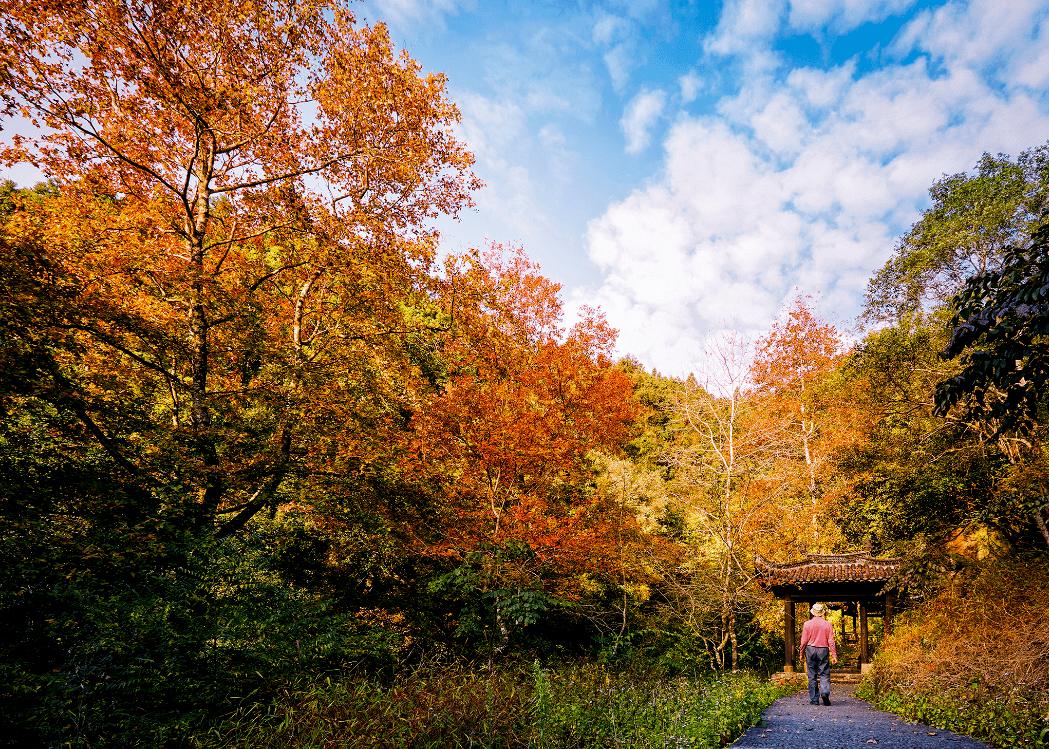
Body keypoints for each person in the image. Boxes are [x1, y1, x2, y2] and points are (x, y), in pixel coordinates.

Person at [798, 602, 837, 705]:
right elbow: (831, 641)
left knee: (812, 675)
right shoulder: (828, 624)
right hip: (823, 650)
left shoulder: (807, 624)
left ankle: (815, 699)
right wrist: (834, 655)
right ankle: (824, 693)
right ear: (822, 613)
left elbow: (803, 641)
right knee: (824, 673)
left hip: (810, 650)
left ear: (813, 612)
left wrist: (801, 653)